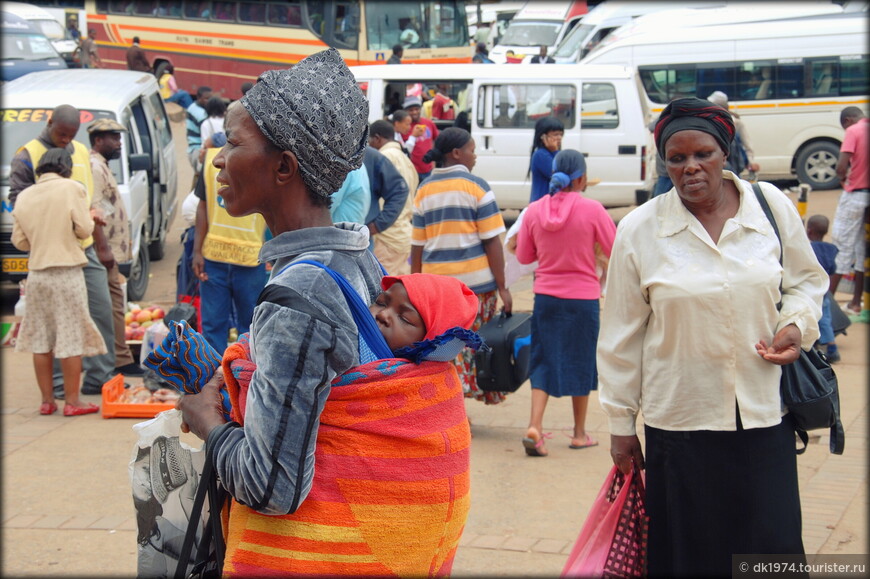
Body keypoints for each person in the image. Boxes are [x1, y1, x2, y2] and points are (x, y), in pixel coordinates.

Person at [176, 48, 469, 575]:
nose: (217, 158)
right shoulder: (356, 254)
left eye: (233, 143)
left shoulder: (302, 292)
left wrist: (207, 423)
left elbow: (272, 485)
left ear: (284, 166)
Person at [597, 97, 827, 577]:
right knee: (691, 552)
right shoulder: (640, 229)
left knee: (771, 547)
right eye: (676, 159)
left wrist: (795, 326)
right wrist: (621, 425)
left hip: (765, 418)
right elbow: (620, 334)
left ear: (725, 152)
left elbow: (806, 281)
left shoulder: (770, 207)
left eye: (702, 153)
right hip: (680, 425)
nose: (691, 168)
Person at [9, 104, 116, 398]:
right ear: (50, 122)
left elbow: (89, 201)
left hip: (83, 250)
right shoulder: (26, 154)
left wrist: (100, 241)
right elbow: (18, 203)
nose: (66, 140)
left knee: (99, 310)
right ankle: (61, 391)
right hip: (57, 255)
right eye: (62, 133)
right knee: (60, 327)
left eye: (71, 135)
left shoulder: (80, 151)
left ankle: (100, 376)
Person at [516, 149, 615, 456]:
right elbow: (615, 249)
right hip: (583, 299)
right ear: (582, 178)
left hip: (546, 297)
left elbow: (523, 257)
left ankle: (535, 425)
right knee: (581, 360)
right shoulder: (593, 210)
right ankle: (580, 433)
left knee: (543, 359)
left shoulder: (534, 210)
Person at [411, 127, 512, 404]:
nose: (475, 156)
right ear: (457, 153)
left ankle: (450, 402)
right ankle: (461, 403)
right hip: (476, 288)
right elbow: (492, 242)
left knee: (445, 348)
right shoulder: (477, 187)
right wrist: (503, 286)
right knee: (473, 345)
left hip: (437, 291)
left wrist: (415, 287)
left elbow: (417, 246)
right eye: (472, 149)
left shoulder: (424, 189)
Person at [192, 147, 268, 354]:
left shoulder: (264, 157)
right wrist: (197, 251)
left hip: (251, 260)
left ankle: (245, 379)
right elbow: (202, 205)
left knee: (251, 326)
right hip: (213, 259)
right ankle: (215, 381)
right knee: (213, 325)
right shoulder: (211, 160)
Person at [88, 118, 144, 377]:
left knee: (116, 304)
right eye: (114, 138)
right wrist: (103, 249)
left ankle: (120, 358)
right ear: (98, 140)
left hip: (110, 249)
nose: (119, 143)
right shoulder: (94, 168)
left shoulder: (102, 166)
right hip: (104, 250)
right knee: (109, 307)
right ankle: (115, 362)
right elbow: (95, 211)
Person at [830, 106, 869, 316]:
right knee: (863, 250)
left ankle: (828, 308)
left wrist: (843, 179)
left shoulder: (853, 131)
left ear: (847, 121)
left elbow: (841, 166)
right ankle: (856, 303)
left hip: (855, 195)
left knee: (841, 248)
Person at [368, 119, 419, 275]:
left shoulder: (383, 158)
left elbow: (390, 200)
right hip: (404, 234)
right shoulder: (406, 159)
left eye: (369, 140)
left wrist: (376, 226)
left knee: (383, 290)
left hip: (388, 237)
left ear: (377, 138)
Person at [806, 214, 841, 363]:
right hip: (824, 291)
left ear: (809, 231)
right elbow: (833, 269)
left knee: (810, 317)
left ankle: (828, 348)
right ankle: (830, 346)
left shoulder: (808, 248)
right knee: (825, 318)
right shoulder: (831, 249)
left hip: (810, 291)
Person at [707, 91, 760, 177]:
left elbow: (747, 144)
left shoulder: (736, 123)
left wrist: (751, 162)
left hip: (733, 167)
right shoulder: (709, 123)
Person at [400, 96, 439, 181]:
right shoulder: (404, 127)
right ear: (406, 111)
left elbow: (436, 141)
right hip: (411, 169)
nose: (414, 112)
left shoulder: (429, 123)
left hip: (429, 169)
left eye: (417, 109)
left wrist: (434, 161)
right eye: (411, 110)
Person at [528, 116, 564, 203]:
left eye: (561, 134)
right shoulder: (540, 155)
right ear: (543, 137)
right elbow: (559, 175)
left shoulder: (553, 154)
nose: (559, 138)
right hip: (542, 205)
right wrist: (555, 151)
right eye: (555, 134)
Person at [185, 86, 212, 175]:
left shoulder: (192, 106)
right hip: (198, 150)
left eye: (210, 98)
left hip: (192, 149)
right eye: (206, 99)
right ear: (199, 98)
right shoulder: (201, 115)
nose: (209, 101)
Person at [197, 95, 227, 163]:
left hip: (213, 159)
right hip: (227, 156)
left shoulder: (206, 124)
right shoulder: (228, 120)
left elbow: (205, 144)